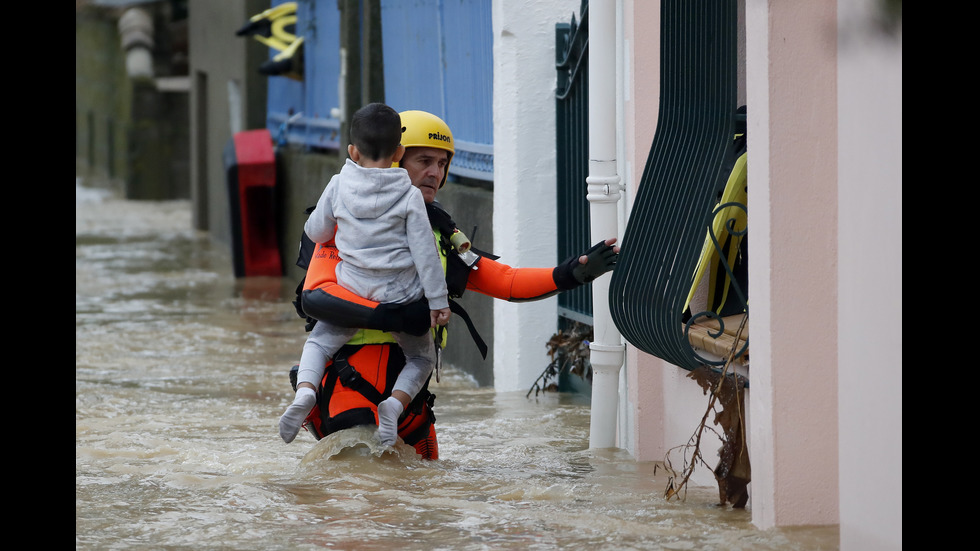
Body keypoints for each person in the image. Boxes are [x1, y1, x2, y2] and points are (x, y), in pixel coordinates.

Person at [289, 110, 620, 459]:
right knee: (360, 503)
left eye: (443, 164)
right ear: (396, 158)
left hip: (407, 405)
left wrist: (569, 274)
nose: (435, 172)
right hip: (351, 389)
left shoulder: (443, 239)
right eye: (425, 160)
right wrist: (392, 316)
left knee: (427, 501)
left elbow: (505, 281)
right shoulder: (343, 224)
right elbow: (318, 296)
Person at [278, 103, 452, 446]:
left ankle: (306, 393)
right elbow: (426, 255)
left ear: (352, 151)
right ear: (399, 152)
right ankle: (394, 405)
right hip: (400, 297)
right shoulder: (408, 195)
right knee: (421, 357)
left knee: (319, 343)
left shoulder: (337, 185)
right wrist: (438, 303)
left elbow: (316, 231)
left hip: (353, 293)